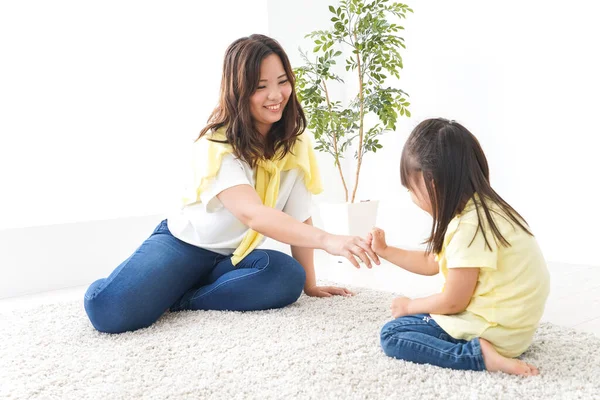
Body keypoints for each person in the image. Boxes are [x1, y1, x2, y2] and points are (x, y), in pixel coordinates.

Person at [84, 34, 380, 334]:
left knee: (287, 277)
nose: (276, 95)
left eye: (282, 81)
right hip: (184, 246)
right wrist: (329, 240)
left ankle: (185, 297)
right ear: (239, 90)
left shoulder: (296, 143)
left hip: (235, 258)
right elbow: (253, 214)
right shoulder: (217, 144)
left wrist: (311, 284)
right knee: (108, 311)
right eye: (260, 87)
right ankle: (155, 281)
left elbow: (299, 214)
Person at [369, 118, 550, 376]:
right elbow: (433, 262)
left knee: (393, 334)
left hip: (493, 331)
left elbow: (454, 302)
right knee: (412, 322)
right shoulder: (486, 211)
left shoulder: (469, 227)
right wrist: (385, 250)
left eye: (411, 188)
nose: (411, 197)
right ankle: (488, 349)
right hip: (513, 330)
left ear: (432, 184)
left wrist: (410, 306)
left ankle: (479, 356)